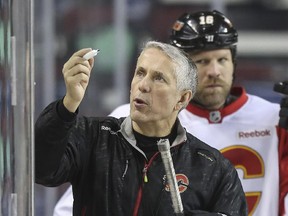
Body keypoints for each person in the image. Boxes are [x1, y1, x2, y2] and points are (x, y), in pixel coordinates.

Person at [53, 10, 288, 216]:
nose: (215, 71)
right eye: (202, 61)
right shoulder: (132, 117)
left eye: (222, 60)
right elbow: (69, 205)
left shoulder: (276, 118)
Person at [35, 40, 248, 215]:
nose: (143, 85)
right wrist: (68, 104)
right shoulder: (93, 136)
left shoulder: (212, 168)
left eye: (158, 78)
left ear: (182, 98)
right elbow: (42, 170)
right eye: (140, 73)